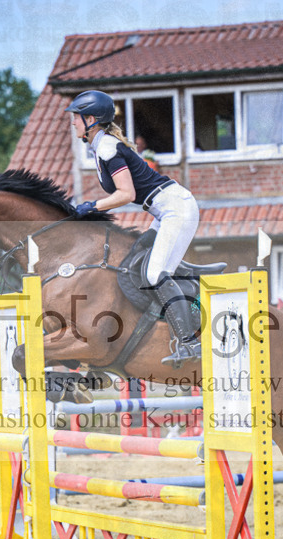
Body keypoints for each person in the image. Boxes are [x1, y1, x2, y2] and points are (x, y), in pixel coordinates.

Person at [65, 90, 201, 366]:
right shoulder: (101, 146)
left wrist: (93, 206)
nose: (73, 123)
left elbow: (126, 194)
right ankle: (188, 282)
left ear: (91, 119)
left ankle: (189, 342)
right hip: (164, 209)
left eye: (76, 118)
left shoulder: (106, 148)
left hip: (175, 208)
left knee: (154, 274)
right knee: (135, 255)